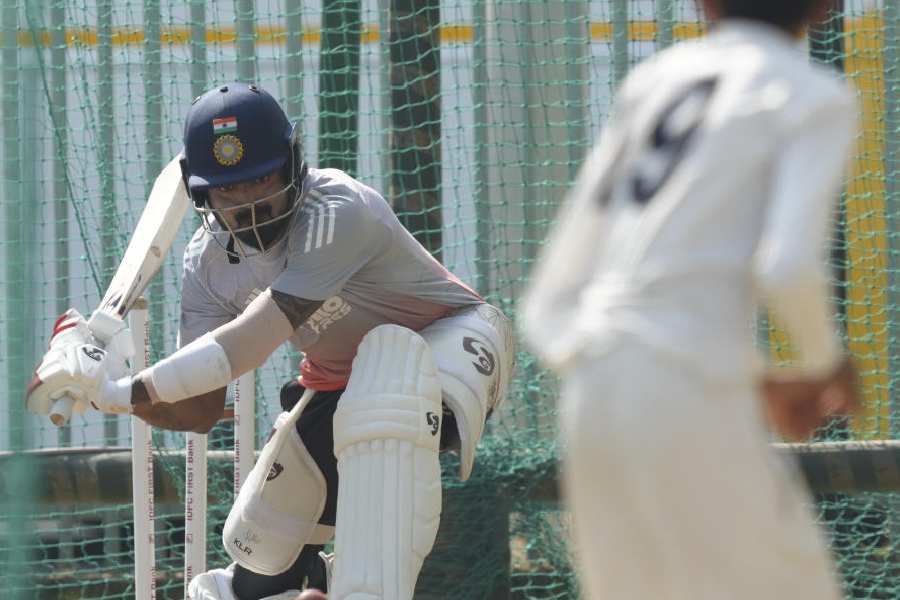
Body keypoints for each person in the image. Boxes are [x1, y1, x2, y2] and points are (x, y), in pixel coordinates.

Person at [27, 82, 515, 600]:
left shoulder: (337, 209)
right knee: (259, 557)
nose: (250, 204)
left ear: (293, 166)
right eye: (230, 189)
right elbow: (197, 410)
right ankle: (315, 584)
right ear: (202, 194)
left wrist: (118, 391)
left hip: (449, 338)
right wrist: (105, 385)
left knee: (384, 401)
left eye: (262, 180)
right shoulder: (208, 264)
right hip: (337, 384)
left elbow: (249, 343)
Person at [522, 1, 860, 599]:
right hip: (688, 387)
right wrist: (822, 367)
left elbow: (557, 286)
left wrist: (720, 372)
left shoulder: (654, 80)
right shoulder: (813, 96)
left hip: (593, 387)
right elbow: (787, 269)